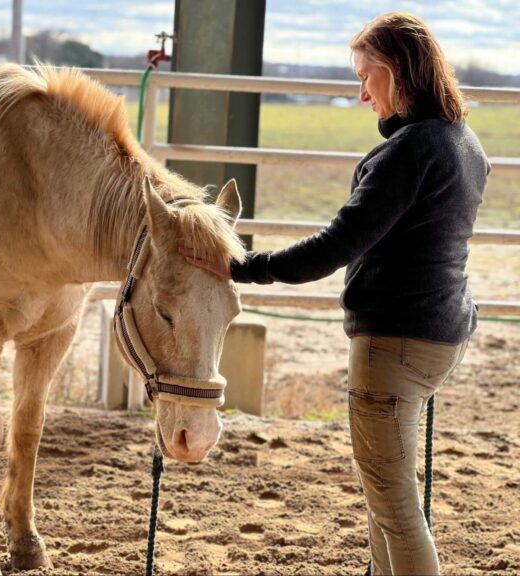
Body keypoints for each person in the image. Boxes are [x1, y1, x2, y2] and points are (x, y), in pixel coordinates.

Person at [180, 12, 490, 576]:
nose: (360, 93)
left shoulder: (409, 151)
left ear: (397, 70)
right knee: (387, 489)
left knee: (396, 508)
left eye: (366, 76)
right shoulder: (465, 143)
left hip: (394, 343)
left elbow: (335, 245)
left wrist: (241, 267)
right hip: (441, 335)